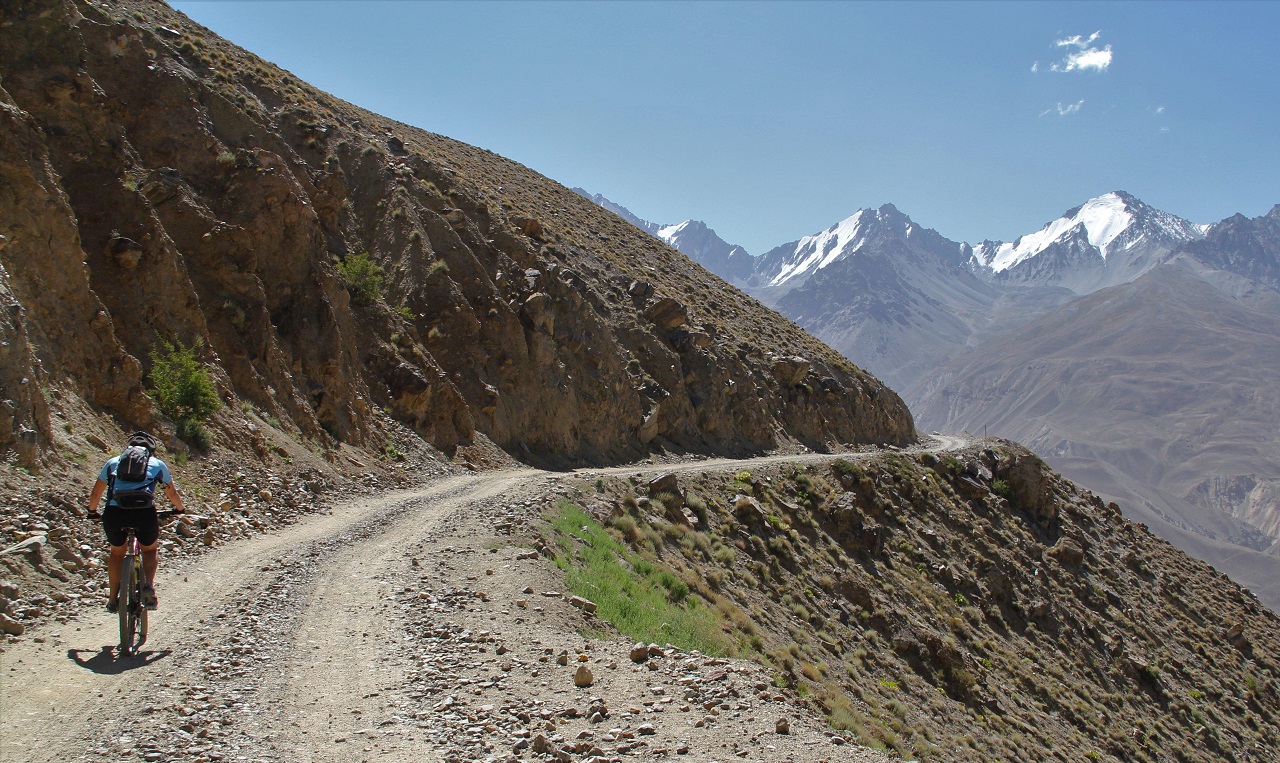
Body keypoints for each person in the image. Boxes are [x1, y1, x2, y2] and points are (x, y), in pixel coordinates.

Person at [86, 431, 186, 612]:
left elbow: (96, 493)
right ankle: (148, 585)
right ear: (151, 450)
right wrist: (179, 509)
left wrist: (92, 511)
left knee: (117, 553)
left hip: (115, 513)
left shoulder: (112, 463)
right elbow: (171, 493)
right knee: (150, 549)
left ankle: (112, 598)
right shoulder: (157, 464)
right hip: (144, 513)